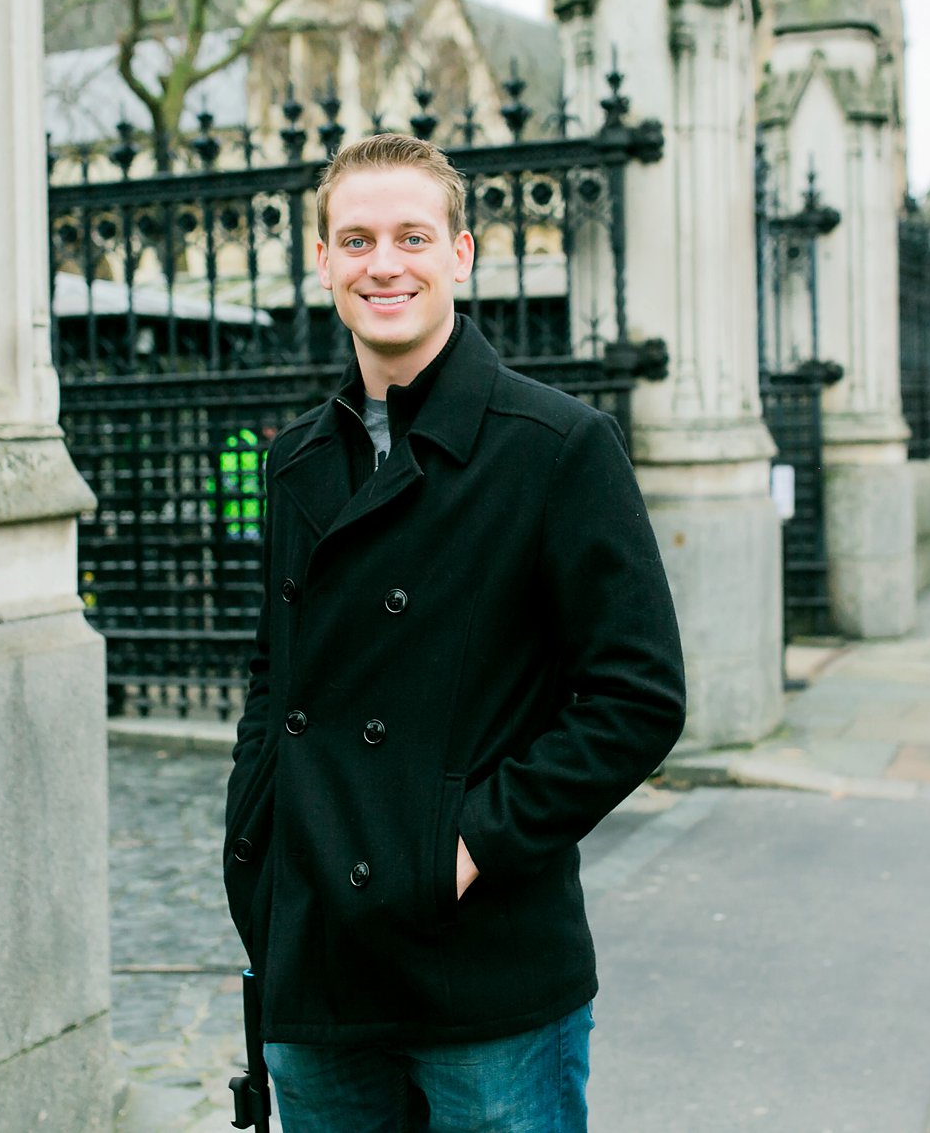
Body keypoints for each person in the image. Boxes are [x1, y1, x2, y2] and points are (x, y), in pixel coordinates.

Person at [222, 133, 685, 1132]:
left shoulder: (557, 447)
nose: (382, 263)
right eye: (354, 240)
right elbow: (276, 675)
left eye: (409, 236)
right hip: (319, 961)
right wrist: (258, 842)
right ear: (323, 262)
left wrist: (464, 844)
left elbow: (636, 698)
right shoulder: (296, 460)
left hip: (483, 966)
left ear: (461, 254)